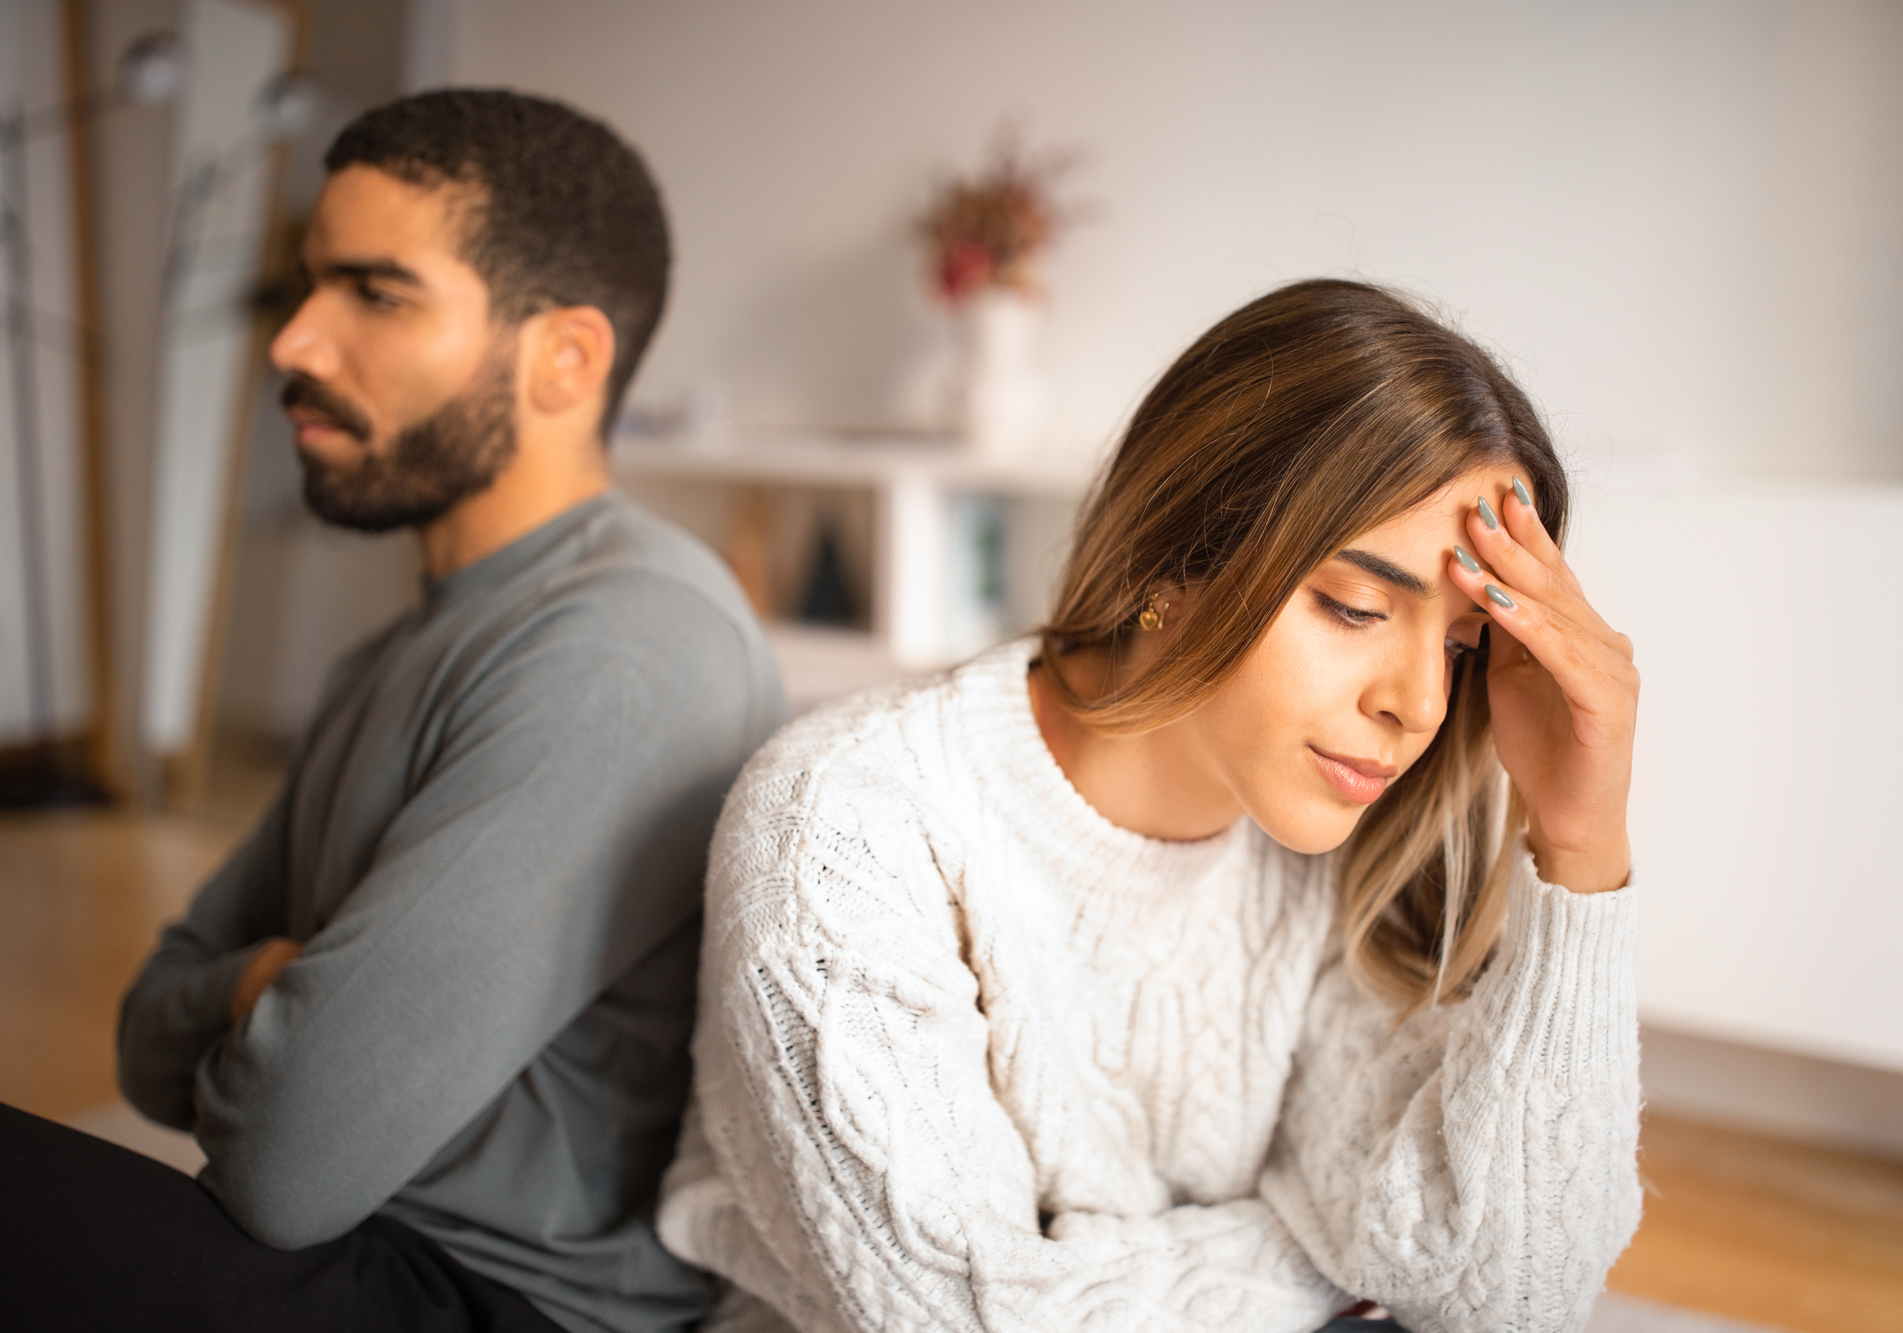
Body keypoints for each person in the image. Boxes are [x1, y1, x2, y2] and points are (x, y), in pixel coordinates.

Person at [656, 279, 1643, 1333]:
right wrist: (1333, 1255)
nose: (1416, 703)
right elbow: (972, 1320)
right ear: (1172, 562)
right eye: (1353, 608)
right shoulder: (841, 824)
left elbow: (1514, 1294)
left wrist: (1581, 844)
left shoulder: (1324, 849)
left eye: (1457, 646)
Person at [0, 91, 783, 1333]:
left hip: (487, 1301)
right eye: (309, 286)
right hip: (352, 1254)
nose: (295, 341)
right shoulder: (400, 644)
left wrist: (253, 996)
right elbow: (145, 1032)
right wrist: (259, 983)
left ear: (563, 359)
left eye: (376, 292)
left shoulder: (629, 642)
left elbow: (288, 1158)